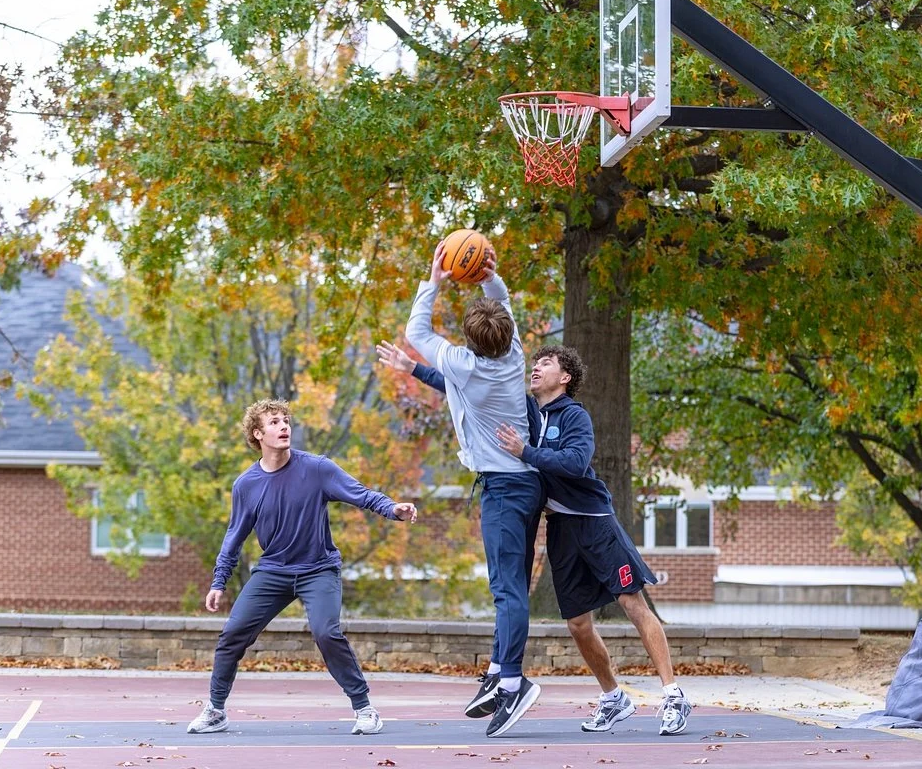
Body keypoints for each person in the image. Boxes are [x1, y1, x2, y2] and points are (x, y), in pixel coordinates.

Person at [376, 340, 692, 736]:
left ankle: (673, 694)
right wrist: (412, 368)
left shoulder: (575, 416)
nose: (536, 367)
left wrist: (526, 452)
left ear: (566, 377)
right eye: (536, 361)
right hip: (560, 528)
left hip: (594, 521)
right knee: (577, 623)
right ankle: (614, 697)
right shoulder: (526, 411)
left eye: (547, 363)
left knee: (633, 603)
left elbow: (576, 463)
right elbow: (468, 392)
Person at [186, 399, 418, 736]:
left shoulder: (317, 469)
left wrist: (392, 508)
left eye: (286, 421)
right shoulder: (246, 485)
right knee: (232, 634)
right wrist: (219, 581)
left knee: (326, 632)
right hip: (274, 571)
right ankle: (216, 710)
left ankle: (365, 708)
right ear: (257, 433)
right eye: (274, 422)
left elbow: (362, 494)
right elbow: (234, 536)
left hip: (318, 569)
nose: (283, 427)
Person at [403, 241, 545, 738]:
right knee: (510, 588)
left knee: (506, 591)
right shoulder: (515, 355)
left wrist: (434, 279)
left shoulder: (463, 363)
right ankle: (497, 672)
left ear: (469, 342)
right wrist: (488, 275)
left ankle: (512, 684)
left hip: (505, 491)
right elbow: (501, 305)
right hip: (524, 487)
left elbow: (415, 332)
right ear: (508, 336)